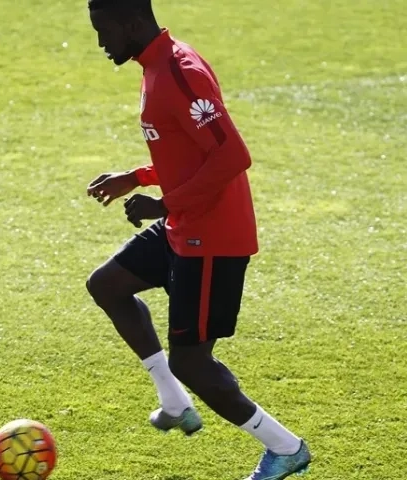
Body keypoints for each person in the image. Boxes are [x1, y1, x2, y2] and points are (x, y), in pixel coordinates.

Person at [84, 1, 312, 478]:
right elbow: (186, 151)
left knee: (192, 362)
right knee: (107, 285)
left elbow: (232, 156)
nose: (101, 43)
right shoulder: (155, 65)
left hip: (212, 238)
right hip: (184, 225)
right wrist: (138, 176)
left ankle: (286, 447)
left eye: (104, 31)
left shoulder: (180, 72)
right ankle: (174, 403)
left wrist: (165, 204)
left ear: (131, 23)